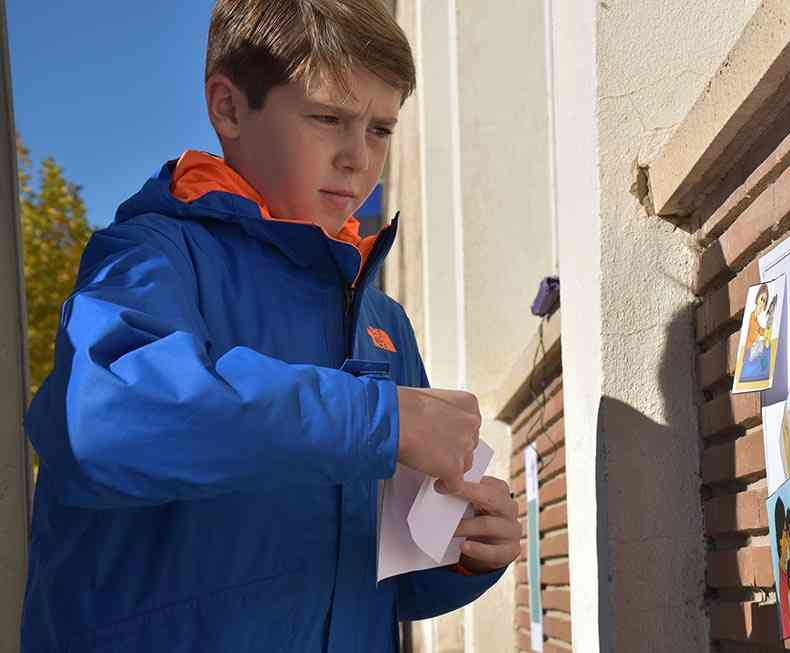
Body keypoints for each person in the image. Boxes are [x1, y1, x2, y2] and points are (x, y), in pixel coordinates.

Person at [20, 2, 519, 651]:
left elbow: (388, 579)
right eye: (327, 118)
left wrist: (466, 553)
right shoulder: (151, 255)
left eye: (381, 129)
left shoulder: (383, 319)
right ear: (228, 108)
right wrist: (381, 421)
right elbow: (105, 417)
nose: (357, 159)